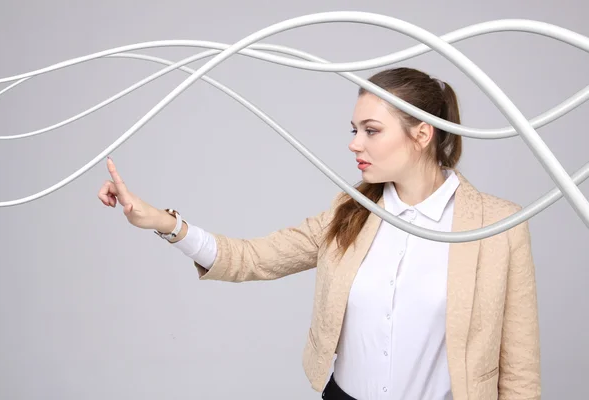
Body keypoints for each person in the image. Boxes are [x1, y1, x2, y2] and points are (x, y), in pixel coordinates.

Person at [97, 67, 541, 400]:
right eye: (354, 130)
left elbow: (519, 370)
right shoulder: (348, 213)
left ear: (421, 134)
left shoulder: (497, 227)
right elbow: (252, 258)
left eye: (371, 130)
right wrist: (165, 223)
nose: (354, 143)